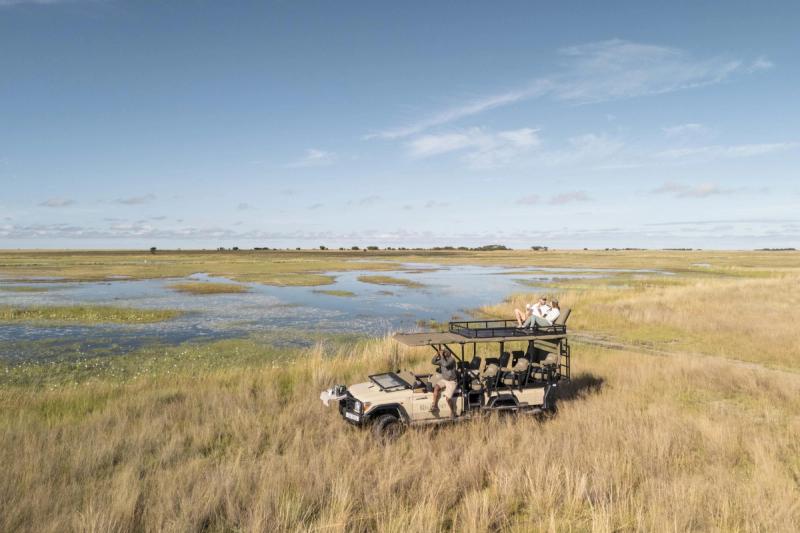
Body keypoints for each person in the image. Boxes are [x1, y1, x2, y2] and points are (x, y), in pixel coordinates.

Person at [430, 347, 458, 418]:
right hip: (444, 380)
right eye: (443, 352)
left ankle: (452, 412)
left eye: (445, 352)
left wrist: (441, 356)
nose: (444, 353)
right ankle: (434, 405)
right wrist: (437, 354)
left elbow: (446, 364)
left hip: (452, 381)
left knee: (448, 399)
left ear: (449, 353)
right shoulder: (442, 360)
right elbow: (433, 362)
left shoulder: (452, 359)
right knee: (436, 387)